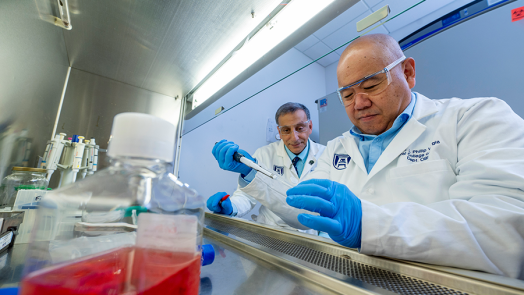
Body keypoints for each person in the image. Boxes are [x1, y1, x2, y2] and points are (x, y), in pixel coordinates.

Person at [215, 34, 524, 279]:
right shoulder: (337, 149)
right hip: (345, 282)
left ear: (408, 72)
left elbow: (504, 229)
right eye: (347, 95)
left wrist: (369, 225)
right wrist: (252, 177)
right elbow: (302, 209)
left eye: (372, 85)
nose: (359, 103)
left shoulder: (477, 118)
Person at [209, 103, 326, 233]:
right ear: (279, 132)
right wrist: (232, 207)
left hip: (313, 236)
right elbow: (246, 197)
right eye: (286, 130)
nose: (294, 137)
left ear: (309, 127)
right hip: (272, 233)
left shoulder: (327, 156)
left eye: (300, 128)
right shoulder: (264, 154)